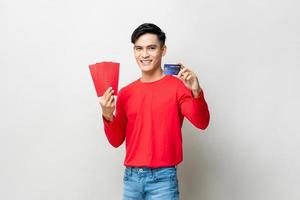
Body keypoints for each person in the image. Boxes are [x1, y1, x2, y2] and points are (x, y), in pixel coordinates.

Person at [99, 23, 210, 200]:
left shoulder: (177, 87)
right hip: (131, 180)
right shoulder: (126, 92)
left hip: (163, 180)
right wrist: (107, 114)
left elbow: (202, 122)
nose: (144, 54)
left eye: (151, 48)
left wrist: (196, 91)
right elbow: (116, 140)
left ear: (163, 50)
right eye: (139, 48)